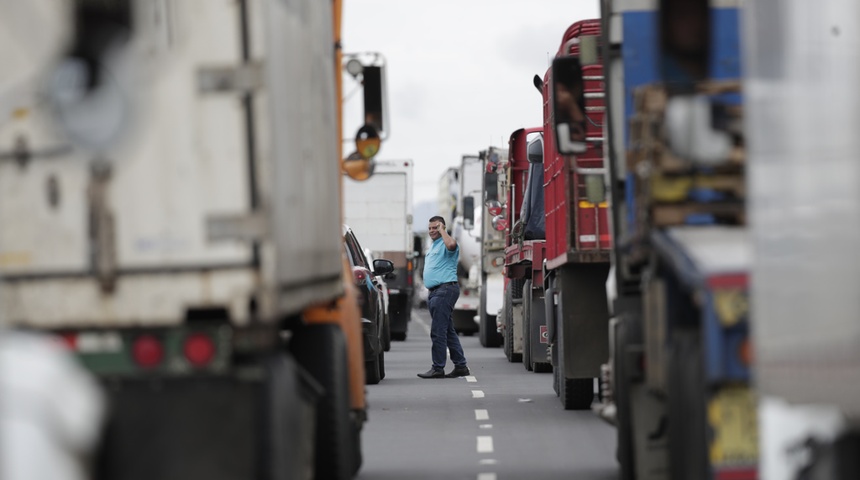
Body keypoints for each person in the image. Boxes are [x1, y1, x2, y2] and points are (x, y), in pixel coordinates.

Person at [417, 216, 470, 379]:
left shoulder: (448, 243)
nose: (432, 230)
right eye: (431, 228)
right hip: (435, 292)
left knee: (438, 331)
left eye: (436, 227)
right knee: (447, 331)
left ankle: (438, 367)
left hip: (445, 290)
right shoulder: (433, 246)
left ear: (443, 228)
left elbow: (452, 245)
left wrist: (442, 231)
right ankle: (460, 365)